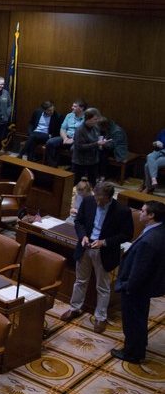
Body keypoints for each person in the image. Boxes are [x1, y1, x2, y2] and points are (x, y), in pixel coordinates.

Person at [59, 181, 133, 334]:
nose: (97, 201)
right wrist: (83, 236)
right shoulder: (89, 201)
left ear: (109, 197)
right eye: (96, 197)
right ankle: (75, 308)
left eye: (101, 199)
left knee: (103, 286)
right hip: (85, 246)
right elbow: (79, 221)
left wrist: (104, 242)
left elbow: (127, 234)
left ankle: (100, 317)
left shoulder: (122, 211)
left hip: (104, 251)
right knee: (80, 281)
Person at [112, 201, 165, 364]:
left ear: (151, 216)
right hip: (147, 286)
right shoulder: (159, 230)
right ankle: (138, 345)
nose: (139, 213)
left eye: (142, 211)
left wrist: (127, 287)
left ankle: (132, 353)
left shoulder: (149, 241)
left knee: (133, 320)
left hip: (136, 288)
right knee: (140, 317)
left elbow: (140, 271)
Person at [45, 99, 86, 167]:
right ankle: (52, 166)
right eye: (73, 106)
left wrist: (73, 140)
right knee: (50, 142)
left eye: (75, 106)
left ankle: (74, 171)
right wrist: (65, 138)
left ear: (81, 108)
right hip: (66, 137)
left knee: (74, 149)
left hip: (78, 140)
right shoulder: (69, 115)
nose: (72, 108)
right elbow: (63, 128)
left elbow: (83, 133)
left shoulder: (86, 118)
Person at [71, 107, 102, 186]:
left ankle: (91, 197)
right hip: (80, 161)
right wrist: (96, 144)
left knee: (92, 182)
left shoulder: (96, 127)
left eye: (98, 119)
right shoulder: (80, 130)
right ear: (88, 119)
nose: (97, 121)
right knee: (76, 182)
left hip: (93, 160)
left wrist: (101, 143)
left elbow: (97, 139)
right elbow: (79, 147)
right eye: (95, 119)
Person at [143, 128, 165, 193]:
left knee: (147, 165)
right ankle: (153, 179)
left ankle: (148, 187)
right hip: (159, 151)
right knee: (149, 156)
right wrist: (156, 143)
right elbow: (156, 142)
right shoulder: (163, 131)